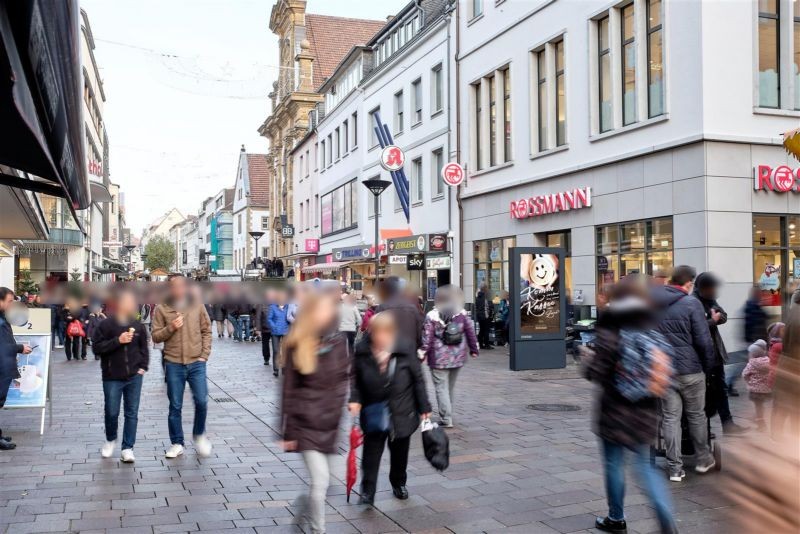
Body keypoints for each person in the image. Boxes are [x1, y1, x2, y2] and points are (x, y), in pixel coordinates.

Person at [584, 278, 677, 534]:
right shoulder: (650, 322)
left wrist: (587, 360)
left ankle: (616, 518)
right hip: (646, 408)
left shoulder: (611, 325)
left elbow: (597, 371)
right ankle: (666, 516)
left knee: (614, 465)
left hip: (614, 410)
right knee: (646, 466)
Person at [281, 291, 348, 534]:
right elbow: (287, 390)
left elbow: (344, 377)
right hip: (305, 424)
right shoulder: (297, 343)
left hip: (330, 424)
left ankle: (304, 507)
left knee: (332, 481)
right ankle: (318, 530)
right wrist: (287, 431)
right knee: (321, 482)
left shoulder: (338, 341)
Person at [349, 312, 431, 505]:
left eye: (386, 333)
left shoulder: (405, 349)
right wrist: (355, 399)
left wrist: (424, 407)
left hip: (402, 410)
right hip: (374, 410)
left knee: (399, 451)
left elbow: (418, 379)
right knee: (371, 453)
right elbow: (355, 380)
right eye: (378, 333)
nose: (382, 337)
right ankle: (367, 491)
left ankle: (398, 483)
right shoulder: (362, 351)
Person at [651, 265, 717, 481]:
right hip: (690, 370)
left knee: (670, 418)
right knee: (697, 416)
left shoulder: (652, 301)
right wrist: (708, 365)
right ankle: (703, 460)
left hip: (664, 370)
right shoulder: (691, 303)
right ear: (688, 283)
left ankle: (674, 469)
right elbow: (703, 339)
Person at [152, 274, 213, 459]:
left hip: (196, 362)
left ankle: (199, 434)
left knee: (202, 400)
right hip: (173, 363)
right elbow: (155, 336)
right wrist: (171, 327)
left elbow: (206, 330)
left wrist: (204, 355)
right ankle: (177, 443)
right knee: (175, 405)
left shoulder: (197, 304)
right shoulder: (162, 308)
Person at [92, 290, 149, 462]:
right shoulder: (106, 325)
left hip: (134, 376)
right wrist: (118, 341)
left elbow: (143, 349)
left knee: (132, 412)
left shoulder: (138, 325)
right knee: (112, 411)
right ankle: (110, 440)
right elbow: (97, 348)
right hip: (112, 376)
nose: (131, 305)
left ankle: (128, 447)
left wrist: (143, 367)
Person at [693, 272, 747, 434]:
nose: (713, 292)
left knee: (720, 390)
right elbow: (696, 328)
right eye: (711, 288)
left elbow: (723, 316)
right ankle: (704, 428)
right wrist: (712, 320)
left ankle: (728, 424)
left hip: (715, 354)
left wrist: (716, 318)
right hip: (701, 356)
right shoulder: (693, 302)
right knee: (704, 393)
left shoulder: (710, 300)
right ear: (703, 288)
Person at [420, 286, 479, 428]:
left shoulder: (432, 316)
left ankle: (446, 418)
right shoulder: (462, 314)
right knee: (450, 388)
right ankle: (448, 414)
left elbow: (426, 338)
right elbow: (471, 332)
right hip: (457, 357)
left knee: (441, 388)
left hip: (438, 358)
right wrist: (474, 349)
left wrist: (422, 353)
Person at [0, 288, 32, 450]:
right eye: (10, 301)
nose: (12, 305)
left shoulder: (3, 318)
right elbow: (2, 346)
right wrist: (19, 348)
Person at [376, 277, 424, 351]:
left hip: (389, 351)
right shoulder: (412, 307)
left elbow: (376, 332)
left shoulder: (382, 307)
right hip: (409, 351)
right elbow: (419, 332)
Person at [742, 340, 772, 431]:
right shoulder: (768, 361)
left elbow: (744, 374)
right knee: (762, 405)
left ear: (753, 354)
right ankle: (759, 417)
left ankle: (761, 425)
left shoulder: (751, 364)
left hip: (755, 391)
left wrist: (748, 381)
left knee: (758, 407)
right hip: (767, 389)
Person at [267, 291, 291, 378]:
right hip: (275, 332)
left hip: (285, 331)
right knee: (276, 350)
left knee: (285, 351)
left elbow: (291, 317)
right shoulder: (273, 307)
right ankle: (276, 369)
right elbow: (269, 319)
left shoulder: (288, 306)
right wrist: (274, 327)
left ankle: (284, 368)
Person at [255, 289, 273, 367]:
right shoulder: (261, 304)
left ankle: (274, 358)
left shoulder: (276, 303)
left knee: (275, 345)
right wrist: (258, 329)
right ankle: (266, 358)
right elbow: (258, 317)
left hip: (274, 328)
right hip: (265, 328)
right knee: (265, 344)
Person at [475, 283, 493, 350]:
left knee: (481, 330)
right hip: (486, 316)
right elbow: (490, 306)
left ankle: (480, 344)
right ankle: (487, 345)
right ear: (485, 288)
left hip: (479, 316)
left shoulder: (477, 296)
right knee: (486, 330)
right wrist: (490, 315)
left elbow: (477, 306)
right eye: (487, 287)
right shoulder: (486, 296)